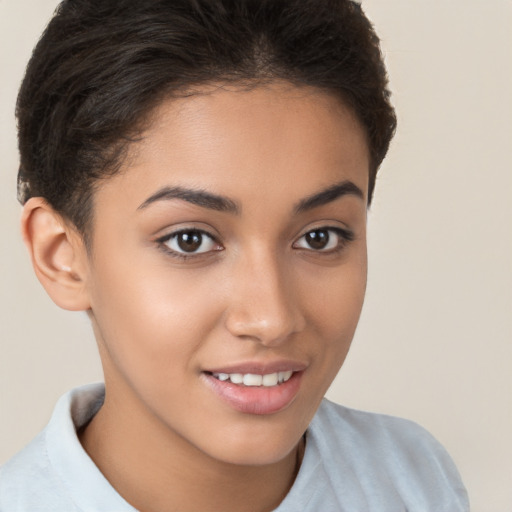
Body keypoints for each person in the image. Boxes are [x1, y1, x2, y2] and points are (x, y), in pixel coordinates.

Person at [0, 0, 469, 510]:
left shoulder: (411, 479)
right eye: (190, 240)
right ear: (61, 255)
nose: (271, 319)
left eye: (320, 237)